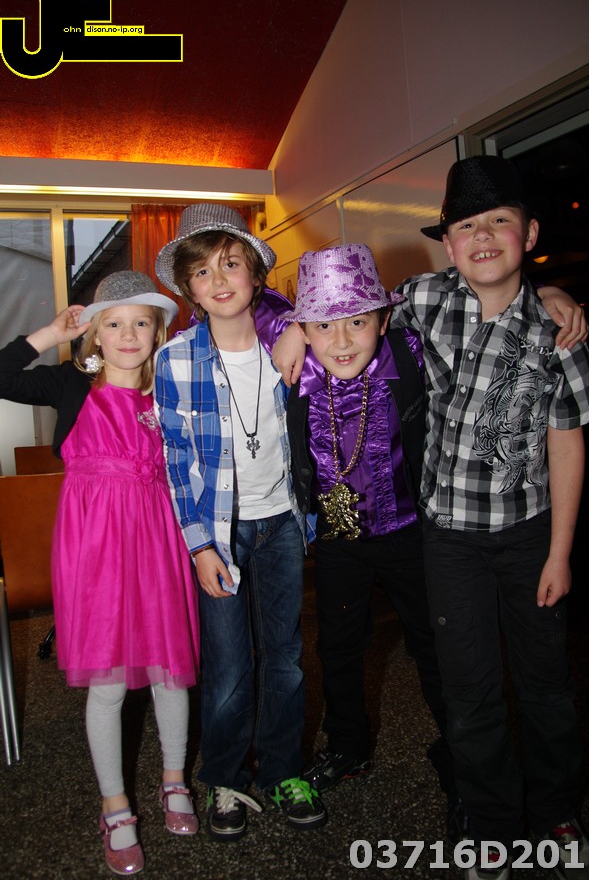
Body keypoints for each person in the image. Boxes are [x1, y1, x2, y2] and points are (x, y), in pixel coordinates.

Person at [386, 156, 589, 880]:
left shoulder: (556, 330)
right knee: (469, 688)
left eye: (499, 222)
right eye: (466, 226)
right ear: (448, 244)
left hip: (530, 534)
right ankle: (488, 822)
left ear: (529, 234)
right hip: (448, 537)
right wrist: (298, 330)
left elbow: (566, 442)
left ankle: (555, 811)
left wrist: (560, 553)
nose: (482, 237)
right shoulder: (423, 298)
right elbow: (348, 313)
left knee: (546, 683)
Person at [0, 271, 201, 877]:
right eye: (113, 323)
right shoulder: (70, 385)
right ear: (93, 335)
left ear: (158, 332)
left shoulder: (170, 392)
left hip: (159, 541)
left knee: (169, 671)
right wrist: (49, 334)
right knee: (109, 682)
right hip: (95, 549)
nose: (128, 334)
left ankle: (174, 779)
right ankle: (114, 805)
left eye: (141, 322)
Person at [257, 243, 461, 832]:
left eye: (357, 322)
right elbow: (239, 299)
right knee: (338, 648)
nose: (342, 340)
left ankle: (463, 753)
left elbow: (471, 297)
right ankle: (349, 746)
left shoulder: (408, 353)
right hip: (339, 539)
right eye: (324, 325)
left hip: (409, 533)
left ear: (384, 320)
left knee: (434, 647)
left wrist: (547, 291)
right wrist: (291, 329)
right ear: (305, 328)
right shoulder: (298, 367)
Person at [152, 203, 326, 843]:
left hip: (282, 522)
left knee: (285, 657)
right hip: (219, 533)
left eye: (230, 264)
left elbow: (355, 312)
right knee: (227, 665)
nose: (219, 279)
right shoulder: (175, 360)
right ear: (189, 290)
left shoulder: (289, 347)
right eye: (202, 272)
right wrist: (199, 546)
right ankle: (225, 778)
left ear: (255, 274)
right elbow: (175, 460)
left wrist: (301, 327)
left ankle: (284, 769)